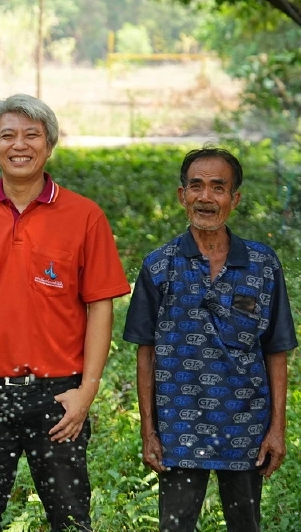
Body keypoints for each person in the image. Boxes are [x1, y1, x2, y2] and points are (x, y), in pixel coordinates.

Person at [0, 94, 131, 532]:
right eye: (7, 135)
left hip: (58, 396)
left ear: (49, 144)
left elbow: (100, 308)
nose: (19, 145)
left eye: (31, 135)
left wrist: (87, 392)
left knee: (71, 516)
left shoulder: (85, 216)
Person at [123, 147, 297, 532]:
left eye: (218, 188)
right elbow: (145, 354)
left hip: (246, 429)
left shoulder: (263, 264)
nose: (206, 197)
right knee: (175, 525)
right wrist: (148, 431)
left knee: (245, 524)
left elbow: (276, 351)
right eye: (196, 186)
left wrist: (276, 430)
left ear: (234, 199)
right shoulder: (159, 265)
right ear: (181, 195)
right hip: (178, 433)